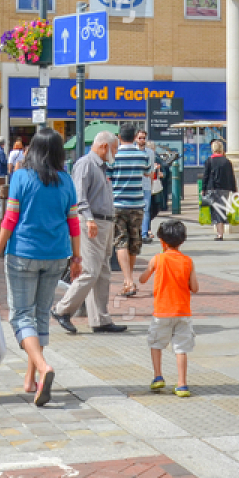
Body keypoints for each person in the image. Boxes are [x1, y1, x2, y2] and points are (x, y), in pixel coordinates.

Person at [0, 128, 82, 407]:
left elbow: (9, 220)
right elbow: (74, 223)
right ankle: (30, 379)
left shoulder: (21, 177)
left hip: (23, 253)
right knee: (40, 316)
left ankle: (43, 368)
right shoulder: (67, 182)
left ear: (32, 150)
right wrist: (77, 258)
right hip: (57, 254)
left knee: (22, 316)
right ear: (59, 153)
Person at [52, 132, 127, 335]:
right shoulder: (86, 164)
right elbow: (79, 195)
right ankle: (62, 309)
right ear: (103, 146)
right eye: (114, 149)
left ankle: (100, 318)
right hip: (92, 221)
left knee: (103, 271)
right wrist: (89, 218)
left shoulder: (101, 167)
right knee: (91, 271)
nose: (115, 153)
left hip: (105, 221)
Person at [140, 219, 198, 397]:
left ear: (161, 241)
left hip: (162, 312)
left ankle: (158, 376)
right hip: (182, 312)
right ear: (182, 241)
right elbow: (195, 288)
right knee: (181, 348)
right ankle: (182, 384)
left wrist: (149, 270)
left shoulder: (157, 259)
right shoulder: (188, 261)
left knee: (156, 343)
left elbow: (142, 279)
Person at [110, 125, 151, 298]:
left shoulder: (114, 157)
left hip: (117, 203)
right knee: (134, 242)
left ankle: (127, 281)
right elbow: (148, 174)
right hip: (137, 204)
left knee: (121, 241)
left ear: (119, 137)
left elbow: (108, 176)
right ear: (135, 137)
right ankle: (129, 279)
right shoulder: (142, 155)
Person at [199, 140, 238, 241]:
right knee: (221, 208)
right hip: (225, 189)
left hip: (212, 188)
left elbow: (205, 176)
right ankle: (220, 233)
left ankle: (219, 233)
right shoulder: (227, 161)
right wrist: (234, 189)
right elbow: (231, 176)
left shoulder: (209, 160)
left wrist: (203, 189)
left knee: (215, 210)